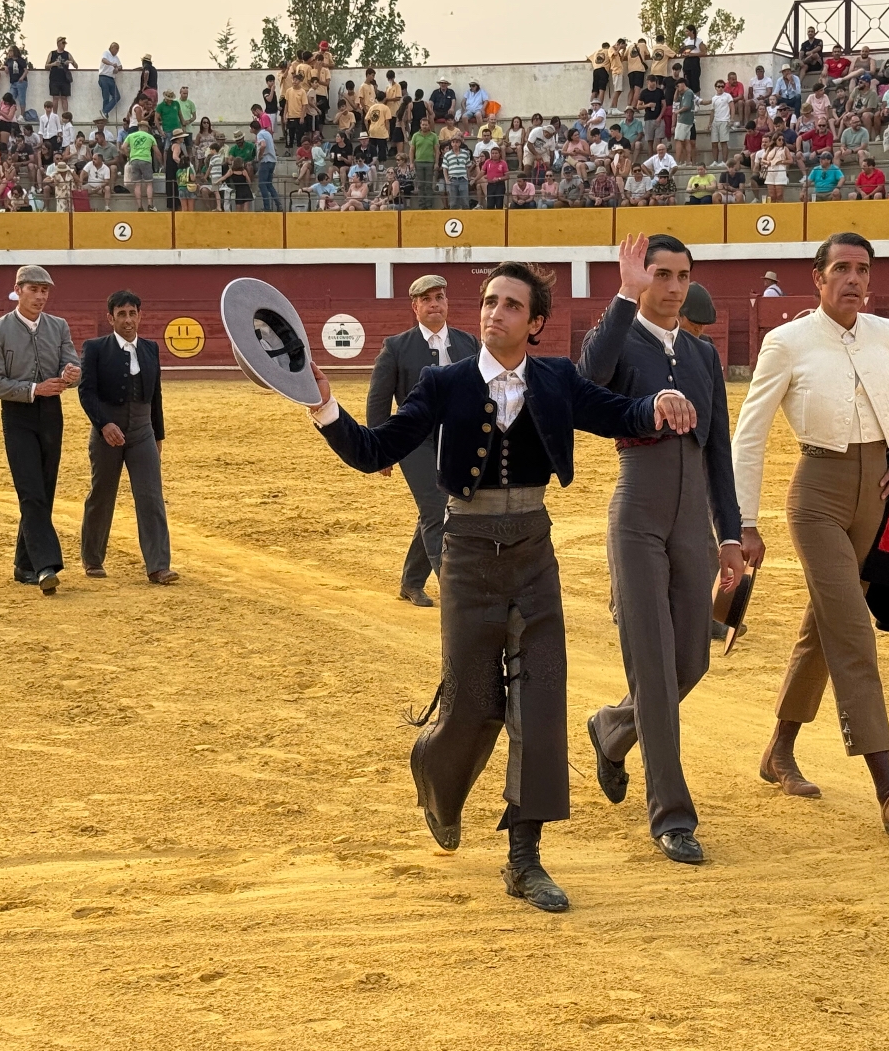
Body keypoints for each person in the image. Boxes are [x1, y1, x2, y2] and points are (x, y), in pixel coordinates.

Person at [303, 260, 697, 913]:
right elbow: (376, 449)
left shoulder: (557, 378)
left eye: (511, 305)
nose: (494, 313)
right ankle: (435, 766)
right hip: (466, 554)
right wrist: (323, 407)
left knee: (541, 704)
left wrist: (655, 405)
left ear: (535, 323)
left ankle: (524, 858)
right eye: (489, 302)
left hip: (533, 553)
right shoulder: (444, 381)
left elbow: (618, 411)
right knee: (477, 703)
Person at [730, 232, 889, 835]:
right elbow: (750, 433)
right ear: (817, 277)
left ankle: (779, 750)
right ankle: (888, 787)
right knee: (852, 630)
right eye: (841, 268)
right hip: (816, 494)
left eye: (862, 269)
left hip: (876, 494)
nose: (853, 278)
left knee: (822, 628)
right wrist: (744, 520)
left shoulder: (888, 335)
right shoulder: (786, 342)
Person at [578, 234, 743, 866]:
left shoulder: (702, 358)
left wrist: (728, 535)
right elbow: (589, 377)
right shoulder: (623, 337)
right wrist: (620, 295)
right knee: (652, 665)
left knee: (691, 660)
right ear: (643, 279)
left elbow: (718, 454)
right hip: (638, 516)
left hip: (691, 525)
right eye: (661, 275)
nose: (673, 287)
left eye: (682, 275)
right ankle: (672, 814)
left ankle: (613, 728)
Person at [366, 275, 481, 608]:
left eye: (440, 297)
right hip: (413, 439)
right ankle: (456, 588)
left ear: (447, 303)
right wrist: (380, 447)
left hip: (458, 439)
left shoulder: (467, 343)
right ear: (415, 306)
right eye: (426, 299)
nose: (434, 304)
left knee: (438, 508)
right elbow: (378, 400)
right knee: (436, 509)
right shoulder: (396, 346)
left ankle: (412, 581)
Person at [0, 265, 81, 595]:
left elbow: (71, 363)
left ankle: (24, 563)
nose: (40, 297)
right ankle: (45, 565)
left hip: (52, 413)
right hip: (18, 412)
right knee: (31, 490)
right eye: (34, 290)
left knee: (45, 489)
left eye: (45, 291)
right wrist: (35, 389)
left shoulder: (58, 326)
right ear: (18, 290)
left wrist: (70, 373)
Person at [78, 290, 177, 585]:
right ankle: (92, 558)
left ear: (140, 316)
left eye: (133, 313)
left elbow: (155, 394)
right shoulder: (95, 348)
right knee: (102, 493)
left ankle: (159, 565)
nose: (128, 319)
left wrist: (158, 436)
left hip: (143, 430)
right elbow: (86, 391)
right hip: (107, 431)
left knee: (151, 496)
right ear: (110, 318)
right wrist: (104, 424)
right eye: (121, 314)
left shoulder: (150, 349)